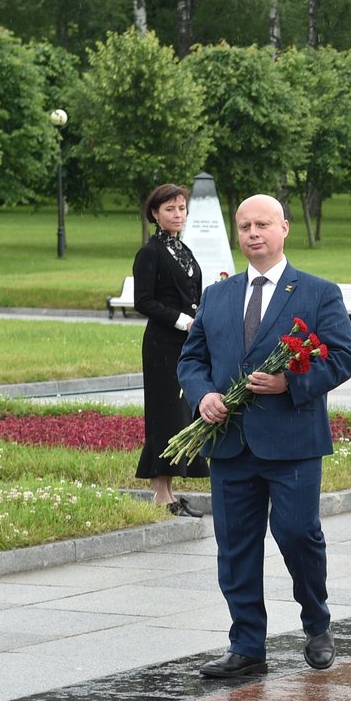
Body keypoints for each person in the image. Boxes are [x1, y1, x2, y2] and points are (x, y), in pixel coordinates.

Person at [178, 195, 351, 679]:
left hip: (292, 440)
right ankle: (246, 644)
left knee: (298, 534)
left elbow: (341, 358)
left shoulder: (317, 293)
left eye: (262, 224)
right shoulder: (218, 295)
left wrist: (290, 382)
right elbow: (191, 360)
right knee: (235, 544)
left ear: (284, 228)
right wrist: (203, 396)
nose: (252, 233)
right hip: (229, 443)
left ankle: (316, 623)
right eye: (244, 226)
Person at [133, 184, 209, 515]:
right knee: (164, 414)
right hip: (163, 345)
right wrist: (182, 320)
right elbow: (143, 301)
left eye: (181, 208)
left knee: (181, 414)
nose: (177, 214)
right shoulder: (150, 253)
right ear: (155, 214)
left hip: (186, 343)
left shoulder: (183, 249)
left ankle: (170, 490)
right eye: (170, 209)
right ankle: (162, 494)